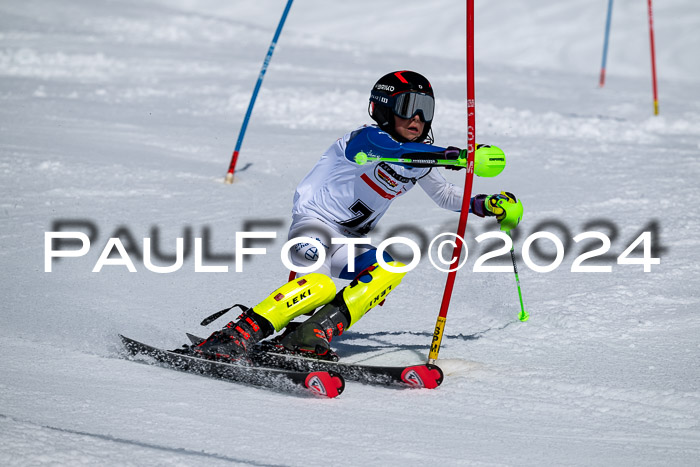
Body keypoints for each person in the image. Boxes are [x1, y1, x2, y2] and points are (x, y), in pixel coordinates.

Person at [195, 70, 522, 361]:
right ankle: (236, 335)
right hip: (313, 228)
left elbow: (447, 195)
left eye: (426, 109)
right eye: (409, 107)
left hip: (348, 242)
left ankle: (308, 335)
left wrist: (487, 204)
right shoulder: (364, 139)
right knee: (319, 287)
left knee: (393, 266)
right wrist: (460, 156)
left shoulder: (422, 158)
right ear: (382, 109)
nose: (418, 118)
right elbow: (393, 151)